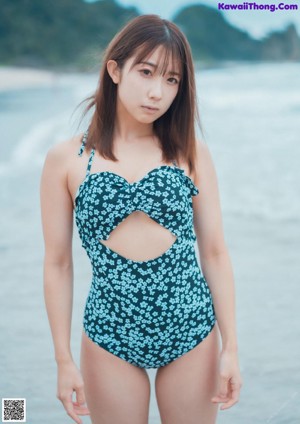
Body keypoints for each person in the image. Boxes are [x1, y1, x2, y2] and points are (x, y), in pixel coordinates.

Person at [40, 14, 242, 424]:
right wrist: (63, 360)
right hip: (109, 331)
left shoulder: (190, 151)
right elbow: (58, 263)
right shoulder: (67, 159)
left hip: (190, 326)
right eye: (146, 72)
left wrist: (232, 349)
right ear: (115, 70)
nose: (157, 92)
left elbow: (216, 252)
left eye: (172, 80)